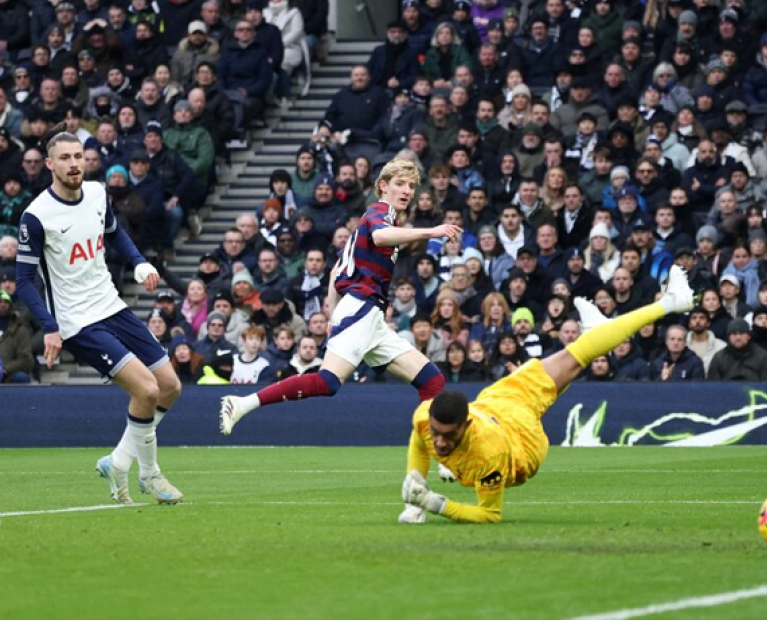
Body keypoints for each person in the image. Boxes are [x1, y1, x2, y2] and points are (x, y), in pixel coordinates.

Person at [398, 266, 695, 523]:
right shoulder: (427, 418)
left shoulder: (489, 453)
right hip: (509, 428)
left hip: (519, 434)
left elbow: (489, 514)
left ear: (466, 426)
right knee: (569, 360)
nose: (438, 440)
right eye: (437, 432)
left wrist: (434, 504)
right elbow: (419, 437)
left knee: (572, 359)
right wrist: (415, 490)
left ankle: (668, 304)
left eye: (448, 437)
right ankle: (599, 334)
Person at [220, 159, 463, 435]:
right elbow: (382, 237)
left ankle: (424, 462)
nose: (407, 190)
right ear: (383, 186)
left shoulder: (370, 222)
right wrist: (431, 231)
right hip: (361, 307)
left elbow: (337, 269)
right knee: (328, 382)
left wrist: (333, 309)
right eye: (400, 184)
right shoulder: (378, 212)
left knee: (432, 381)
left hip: (369, 316)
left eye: (411, 186)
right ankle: (242, 403)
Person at [15, 130, 183, 504]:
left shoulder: (96, 193)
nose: (74, 164)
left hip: (112, 305)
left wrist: (138, 262)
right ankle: (150, 475)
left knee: (170, 386)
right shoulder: (36, 216)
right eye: (65, 158)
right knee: (147, 389)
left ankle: (119, 461)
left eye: (78, 156)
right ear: (49, 165)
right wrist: (50, 327)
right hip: (78, 321)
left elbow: (115, 233)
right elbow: (24, 282)